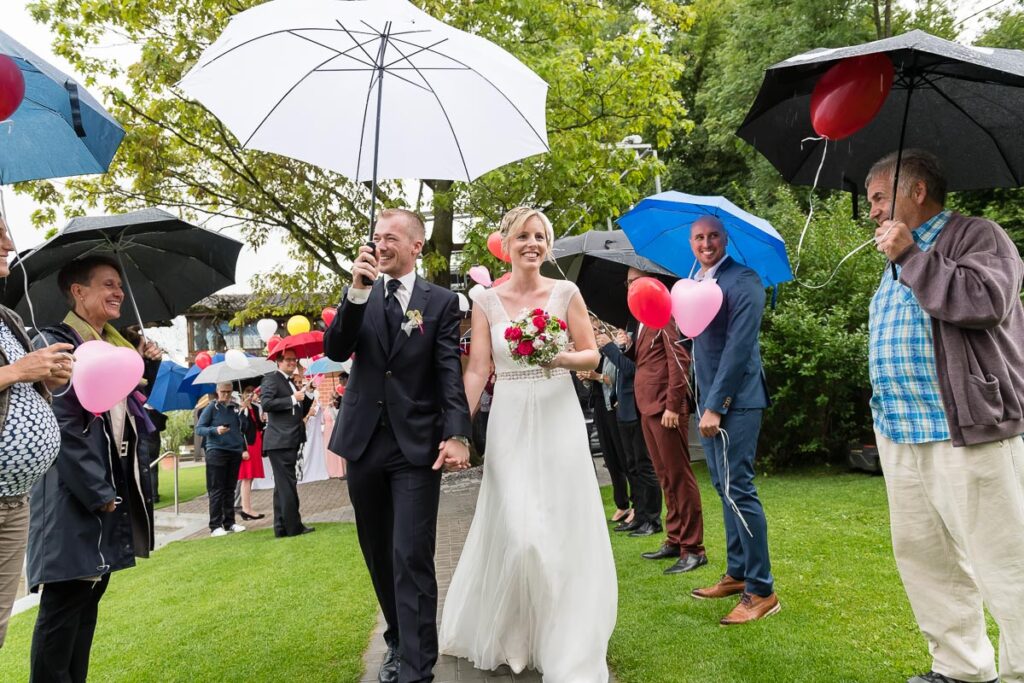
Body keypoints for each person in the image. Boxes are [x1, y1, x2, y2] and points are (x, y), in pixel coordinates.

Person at [866, 149, 1024, 683]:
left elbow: (987, 301)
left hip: (968, 428)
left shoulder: (979, 236)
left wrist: (912, 257)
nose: (871, 211)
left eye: (879, 197)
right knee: (926, 560)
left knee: (1003, 560)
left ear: (915, 192)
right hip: (901, 433)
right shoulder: (895, 254)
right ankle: (961, 667)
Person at [440, 207, 617, 681]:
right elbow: (477, 369)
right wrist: (458, 429)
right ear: (506, 242)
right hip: (511, 419)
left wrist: (555, 355)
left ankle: (561, 639)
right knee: (520, 534)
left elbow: (591, 354)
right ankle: (515, 634)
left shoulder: (565, 293)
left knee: (558, 529)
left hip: (559, 416)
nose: (532, 243)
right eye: (523, 236)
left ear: (548, 245)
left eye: (540, 236)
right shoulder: (485, 301)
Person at [324, 208, 472, 683]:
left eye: (391, 238)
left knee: (411, 554)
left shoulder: (441, 301)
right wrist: (356, 293)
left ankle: (416, 669)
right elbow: (335, 349)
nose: (380, 245)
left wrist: (458, 433)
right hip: (364, 444)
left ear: (416, 247)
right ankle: (397, 639)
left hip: (417, 447)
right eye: (376, 237)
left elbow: (449, 371)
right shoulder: (360, 293)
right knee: (379, 554)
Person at [27, 254, 161, 682]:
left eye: (119, 284)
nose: (118, 292)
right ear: (78, 292)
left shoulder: (113, 345)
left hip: (105, 489)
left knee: (88, 601)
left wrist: (147, 367)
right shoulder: (60, 344)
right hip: (72, 495)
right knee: (64, 605)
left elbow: (121, 412)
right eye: (107, 284)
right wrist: (100, 492)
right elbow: (66, 423)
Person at [686, 216, 779, 625]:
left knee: (739, 488)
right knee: (724, 489)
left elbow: (738, 350)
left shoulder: (744, 281)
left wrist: (716, 404)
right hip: (709, 400)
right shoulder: (698, 282)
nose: (706, 243)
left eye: (713, 236)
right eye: (699, 237)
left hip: (735, 402)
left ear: (726, 239)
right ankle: (738, 573)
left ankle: (762, 590)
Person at [0, 217, 74, 647]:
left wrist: (49, 378)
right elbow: (13, 374)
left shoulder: (8, 317)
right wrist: (17, 370)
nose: (10, 242)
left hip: (15, 499)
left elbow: (24, 386)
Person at [620, 267, 706, 574]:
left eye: (635, 281)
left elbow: (679, 361)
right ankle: (674, 538)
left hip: (665, 410)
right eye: (628, 283)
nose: (630, 287)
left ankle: (694, 548)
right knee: (664, 476)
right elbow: (647, 361)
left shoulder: (666, 313)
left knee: (679, 476)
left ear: (652, 283)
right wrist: (626, 347)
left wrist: (673, 406)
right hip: (647, 406)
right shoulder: (643, 319)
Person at [597, 327, 663, 535]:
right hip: (623, 409)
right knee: (632, 466)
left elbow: (631, 369)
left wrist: (609, 346)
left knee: (645, 466)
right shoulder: (627, 336)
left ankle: (653, 520)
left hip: (636, 409)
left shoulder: (644, 337)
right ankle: (640, 515)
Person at [580, 319, 632, 524]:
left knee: (622, 455)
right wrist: (585, 377)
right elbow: (589, 385)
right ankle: (622, 504)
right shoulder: (593, 352)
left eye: (593, 329)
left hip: (614, 405)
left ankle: (636, 502)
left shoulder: (613, 348)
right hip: (599, 406)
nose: (591, 333)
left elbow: (614, 378)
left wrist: (596, 376)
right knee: (609, 458)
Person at [260, 349, 314, 538]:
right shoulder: (272, 379)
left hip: (290, 438)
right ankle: (294, 527)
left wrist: (306, 395)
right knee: (288, 484)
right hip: (280, 440)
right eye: (289, 360)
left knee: (282, 486)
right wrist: (292, 398)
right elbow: (266, 404)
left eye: (294, 360)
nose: (293, 363)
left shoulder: (290, 382)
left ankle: (281, 527)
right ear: (279, 362)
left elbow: (299, 409)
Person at [196, 382, 251, 536]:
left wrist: (243, 411)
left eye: (228, 391)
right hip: (216, 451)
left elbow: (243, 428)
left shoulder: (234, 408)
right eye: (223, 391)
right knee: (216, 490)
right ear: (217, 391)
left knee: (230, 489)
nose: (226, 395)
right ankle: (215, 526)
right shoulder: (211, 408)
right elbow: (199, 429)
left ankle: (229, 522)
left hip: (234, 451)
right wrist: (215, 430)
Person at [237, 385, 266, 520]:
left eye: (253, 393)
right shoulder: (240, 410)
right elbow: (240, 430)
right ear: (245, 395)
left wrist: (263, 420)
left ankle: (247, 508)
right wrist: (243, 449)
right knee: (247, 477)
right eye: (250, 393)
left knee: (251, 477)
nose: (253, 396)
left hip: (256, 444)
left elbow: (258, 426)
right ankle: (246, 509)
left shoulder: (255, 408)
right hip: (248, 446)